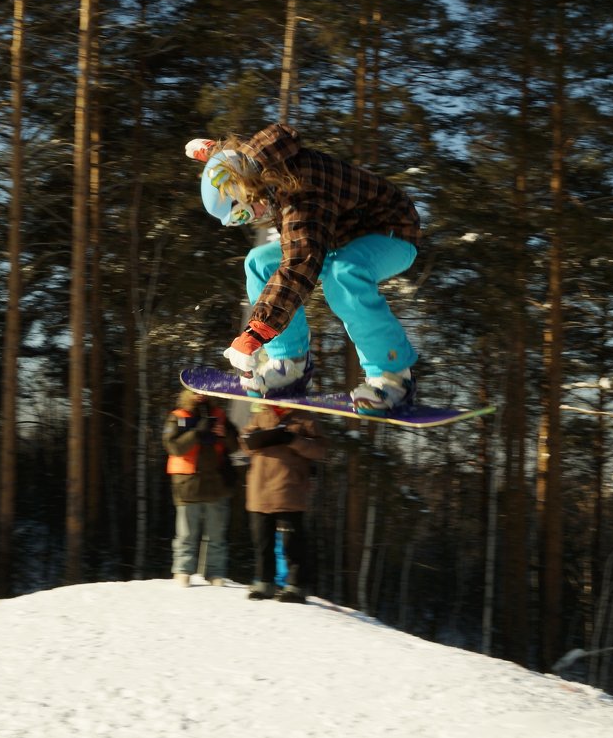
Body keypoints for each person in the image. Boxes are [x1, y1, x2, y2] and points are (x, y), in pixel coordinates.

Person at [186, 123, 421, 411]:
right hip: (340, 234)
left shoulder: (302, 197)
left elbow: (300, 267)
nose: (248, 220)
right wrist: (212, 152)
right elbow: (239, 157)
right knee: (259, 262)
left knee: (343, 275)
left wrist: (256, 332)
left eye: (242, 213)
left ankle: (393, 378)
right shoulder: (254, 165)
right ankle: (288, 365)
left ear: (247, 190)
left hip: (391, 231)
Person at [240, 404, 326, 602]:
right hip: (260, 488)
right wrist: (252, 439)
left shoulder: (305, 417)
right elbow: (244, 444)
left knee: (292, 543)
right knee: (262, 540)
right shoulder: (260, 415)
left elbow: (321, 450)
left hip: (290, 489)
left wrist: (294, 440)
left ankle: (295, 586)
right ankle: (264, 582)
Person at [163, 389, 239, 587]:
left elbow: (236, 445)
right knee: (186, 534)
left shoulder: (220, 415)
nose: (200, 395)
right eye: (194, 392)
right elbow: (173, 447)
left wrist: (225, 434)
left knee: (216, 534)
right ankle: (182, 571)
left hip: (216, 483)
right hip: (188, 484)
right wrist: (196, 433)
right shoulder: (178, 417)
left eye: (203, 391)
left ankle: (215, 573)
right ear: (186, 394)